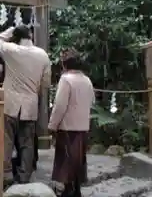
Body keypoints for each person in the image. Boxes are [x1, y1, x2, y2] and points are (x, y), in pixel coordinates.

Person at [0, 25, 51, 189]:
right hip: (30, 104)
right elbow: (45, 83)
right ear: (31, 36)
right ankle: (24, 176)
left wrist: (12, 28)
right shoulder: (43, 55)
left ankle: (5, 175)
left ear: (16, 37)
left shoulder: (12, 50)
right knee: (27, 142)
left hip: (10, 102)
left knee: (6, 140)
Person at [48, 48, 94, 197]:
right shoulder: (87, 80)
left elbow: (60, 106)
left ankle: (68, 191)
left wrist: (52, 125)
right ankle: (76, 190)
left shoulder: (66, 79)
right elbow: (91, 102)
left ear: (64, 65)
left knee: (66, 161)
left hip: (68, 127)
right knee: (77, 161)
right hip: (82, 127)